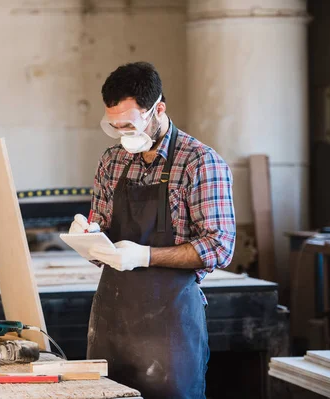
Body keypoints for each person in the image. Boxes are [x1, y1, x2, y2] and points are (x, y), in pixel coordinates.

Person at [70, 62, 236, 398]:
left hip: (169, 327)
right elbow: (101, 226)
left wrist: (145, 256)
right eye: (115, 127)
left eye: (130, 126)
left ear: (158, 109)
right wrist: (88, 239)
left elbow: (220, 247)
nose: (123, 135)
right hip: (113, 319)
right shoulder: (112, 161)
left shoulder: (200, 162)